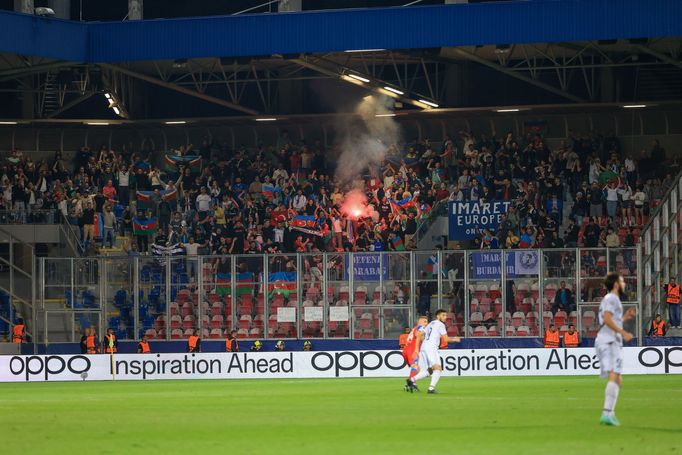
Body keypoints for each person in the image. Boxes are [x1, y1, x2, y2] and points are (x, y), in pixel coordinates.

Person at [596, 272, 636, 426]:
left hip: (610, 340)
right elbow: (606, 319)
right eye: (622, 281)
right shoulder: (612, 298)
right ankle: (606, 413)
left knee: (618, 379)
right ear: (616, 285)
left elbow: (610, 319)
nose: (624, 283)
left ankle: (610, 413)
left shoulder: (611, 299)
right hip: (610, 341)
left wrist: (624, 318)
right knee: (614, 375)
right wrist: (623, 332)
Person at [409, 310, 461, 394]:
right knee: (438, 368)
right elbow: (446, 339)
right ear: (438, 316)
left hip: (424, 348)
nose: (445, 317)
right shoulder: (441, 325)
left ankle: (411, 380)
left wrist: (416, 349)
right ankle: (431, 389)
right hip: (431, 348)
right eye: (443, 315)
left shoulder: (431, 323)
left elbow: (419, 335)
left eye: (446, 315)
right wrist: (455, 339)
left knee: (430, 370)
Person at [403, 315, 428, 393]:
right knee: (416, 366)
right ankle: (412, 383)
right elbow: (419, 335)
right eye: (424, 321)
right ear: (419, 322)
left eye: (427, 322)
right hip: (412, 349)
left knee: (418, 368)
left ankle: (409, 383)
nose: (426, 323)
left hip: (407, 349)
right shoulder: (420, 328)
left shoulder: (414, 328)